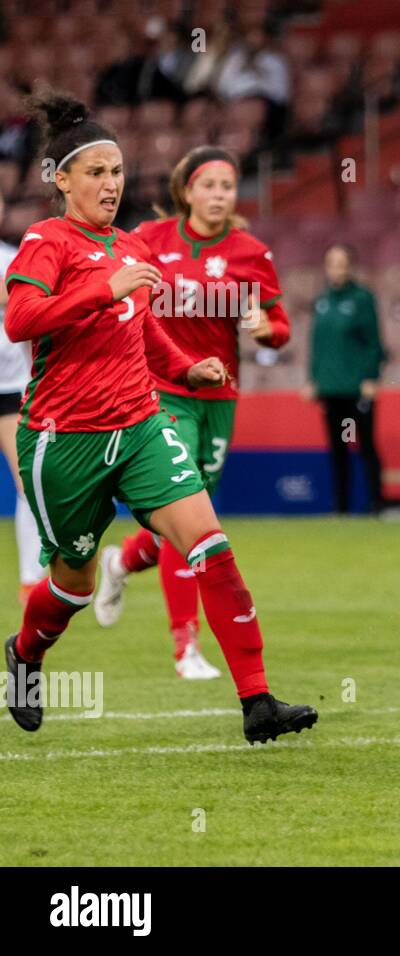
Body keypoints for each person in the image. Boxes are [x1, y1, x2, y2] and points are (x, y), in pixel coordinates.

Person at [3, 92, 316, 742]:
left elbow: (141, 330)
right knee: (73, 590)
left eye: (117, 172)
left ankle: (257, 702)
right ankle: (25, 653)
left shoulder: (123, 246)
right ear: (61, 179)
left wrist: (184, 369)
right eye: (95, 172)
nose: (111, 185)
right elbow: (19, 320)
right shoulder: (46, 241)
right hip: (65, 443)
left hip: (142, 427)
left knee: (211, 545)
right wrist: (100, 289)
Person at [92, 144, 292, 680]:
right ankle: (186, 648)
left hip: (219, 397)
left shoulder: (250, 252)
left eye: (228, 187)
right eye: (209, 186)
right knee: (188, 506)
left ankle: (122, 560)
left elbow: (280, 326)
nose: (219, 196)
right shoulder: (151, 241)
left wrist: (264, 329)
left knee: (182, 523)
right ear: (186, 191)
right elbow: (114, 284)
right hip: (161, 391)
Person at [305, 243, 385, 515]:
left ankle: (376, 503)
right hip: (330, 388)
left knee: (365, 446)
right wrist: (313, 378)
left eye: (341, 263)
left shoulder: (362, 299)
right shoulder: (322, 301)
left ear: (350, 266)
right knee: (337, 450)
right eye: (331, 263)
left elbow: (373, 341)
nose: (336, 269)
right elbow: (317, 343)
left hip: (356, 388)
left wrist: (372, 377)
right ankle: (341, 507)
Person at [0, 192, 43, 605]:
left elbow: (34, 309)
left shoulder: (17, 259)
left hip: (11, 390)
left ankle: (32, 579)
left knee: (28, 482)